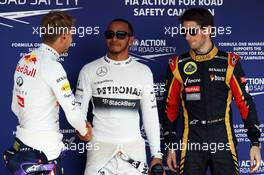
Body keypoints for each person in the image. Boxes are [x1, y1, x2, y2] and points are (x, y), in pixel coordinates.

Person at [163, 8, 262, 175]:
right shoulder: (177, 64)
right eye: (184, 32)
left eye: (192, 31)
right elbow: (170, 106)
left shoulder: (229, 62)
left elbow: (245, 102)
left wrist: (255, 144)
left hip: (223, 138)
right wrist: (171, 146)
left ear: (208, 30)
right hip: (192, 139)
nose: (187, 37)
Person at [3, 11, 92, 175]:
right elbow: (72, 112)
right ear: (64, 36)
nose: (72, 41)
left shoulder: (25, 59)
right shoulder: (53, 66)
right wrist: (84, 130)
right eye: (71, 36)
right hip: (44, 150)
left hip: (21, 143)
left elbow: (15, 106)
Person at [75, 18, 164, 175]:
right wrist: (80, 130)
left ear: (131, 40)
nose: (114, 38)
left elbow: (150, 115)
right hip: (99, 150)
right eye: (110, 34)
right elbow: (78, 112)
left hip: (133, 150)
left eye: (121, 34)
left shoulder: (143, 72)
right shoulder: (89, 70)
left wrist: (156, 155)